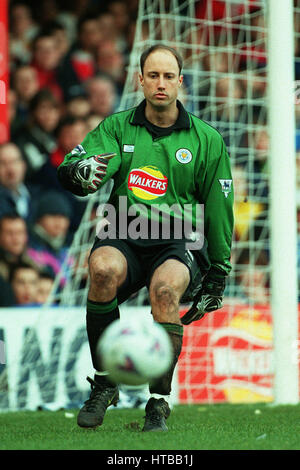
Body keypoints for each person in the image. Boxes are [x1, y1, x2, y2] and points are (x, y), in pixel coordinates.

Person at [57, 44, 234, 432]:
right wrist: (78, 173)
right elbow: (75, 166)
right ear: (140, 80)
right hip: (124, 229)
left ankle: (158, 401)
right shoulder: (117, 128)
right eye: (152, 75)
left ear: (180, 82)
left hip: (177, 239)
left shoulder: (207, 140)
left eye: (168, 76)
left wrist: (219, 271)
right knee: (101, 269)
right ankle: (105, 383)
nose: (160, 83)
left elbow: (220, 209)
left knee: (166, 292)